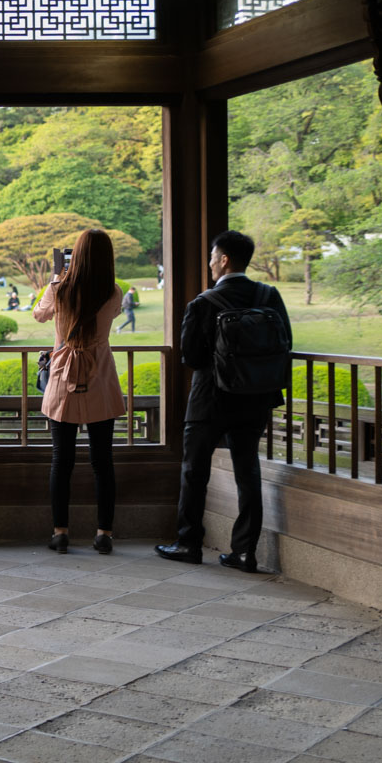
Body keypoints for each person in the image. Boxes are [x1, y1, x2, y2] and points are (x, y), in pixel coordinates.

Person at [158, 230, 292, 573]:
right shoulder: (268, 294)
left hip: (210, 399)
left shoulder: (203, 303)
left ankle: (188, 543)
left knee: (194, 471)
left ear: (224, 260)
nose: (210, 263)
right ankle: (245, 552)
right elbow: (284, 341)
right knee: (248, 471)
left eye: (213, 257)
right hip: (256, 397)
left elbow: (191, 356)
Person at [34, 228, 127, 555]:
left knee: (62, 460)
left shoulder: (60, 289)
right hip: (100, 376)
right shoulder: (113, 292)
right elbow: (112, 315)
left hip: (63, 375)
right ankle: (104, 533)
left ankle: (60, 532)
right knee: (103, 461)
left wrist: (56, 279)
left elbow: (39, 314)